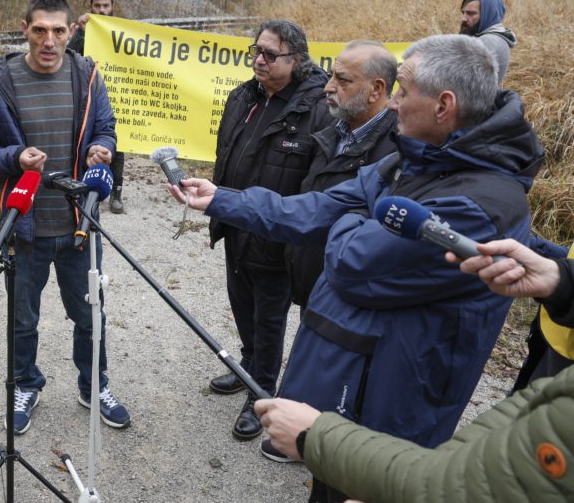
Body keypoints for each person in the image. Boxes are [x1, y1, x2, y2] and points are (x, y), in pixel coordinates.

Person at [169, 35, 544, 502]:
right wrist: (224, 199)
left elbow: (353, 261)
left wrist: (354, 218)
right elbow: (317, 207)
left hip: (395, 407)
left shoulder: (482, 204)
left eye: (403, 91)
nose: (395, 103)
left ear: (444, 105)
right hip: (351, 384)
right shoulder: (414, 160)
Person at [253, 238, 574, 503]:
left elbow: (461, 485)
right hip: (552, 342)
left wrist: (315, 438)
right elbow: (501, 441)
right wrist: (563, 281)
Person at [0, 0, 129, 434]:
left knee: (89, 315)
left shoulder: (87, 75)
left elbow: (107, 129)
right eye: (39, 30)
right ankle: (26, 385)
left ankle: (94, 386)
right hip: (25, 227)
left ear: (72, 31)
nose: (49, 40)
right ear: (25, 29)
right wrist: (15, 157)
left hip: (80, 224)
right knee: (23, 319)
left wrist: (102, 148)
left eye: (59, 30)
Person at [261, 40, 397, 463]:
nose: (327, 87)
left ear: (376, 89)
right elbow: (308, 203)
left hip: (346, 288)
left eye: (342, 79)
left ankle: (326, 448)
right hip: (312, 274)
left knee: (343, 374)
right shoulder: (337, 131)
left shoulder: (394, 153)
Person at [207, 19, 334, 443]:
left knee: (269, 319)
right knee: (241, 305)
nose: (259, 60)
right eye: (256, 51)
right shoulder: (243, 95)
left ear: (295, 59)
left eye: (270, 54)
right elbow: (227, 152)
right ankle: (248, 368)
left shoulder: (317, 109)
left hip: (276, 236)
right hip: (235, 223)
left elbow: (317, 185)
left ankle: (261, 392)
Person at [67, 0, 127, 214]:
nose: (101, 10)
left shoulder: (124, 31)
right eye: (97, 6)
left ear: (113, 7)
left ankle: (116, 193)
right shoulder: (84, 30)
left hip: (120, 96)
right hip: (89, 95)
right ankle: (87, 185)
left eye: (106, 6)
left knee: (117, 146)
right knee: (87, 142)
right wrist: (81, 33)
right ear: (90, 7)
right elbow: (68, 56)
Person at [459, 0, 516, 83]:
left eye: (471, 13)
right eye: (463, 13)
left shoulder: (488, 41)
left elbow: (466, 81)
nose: (464, 19)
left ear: (488, 14)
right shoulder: (494, 37)